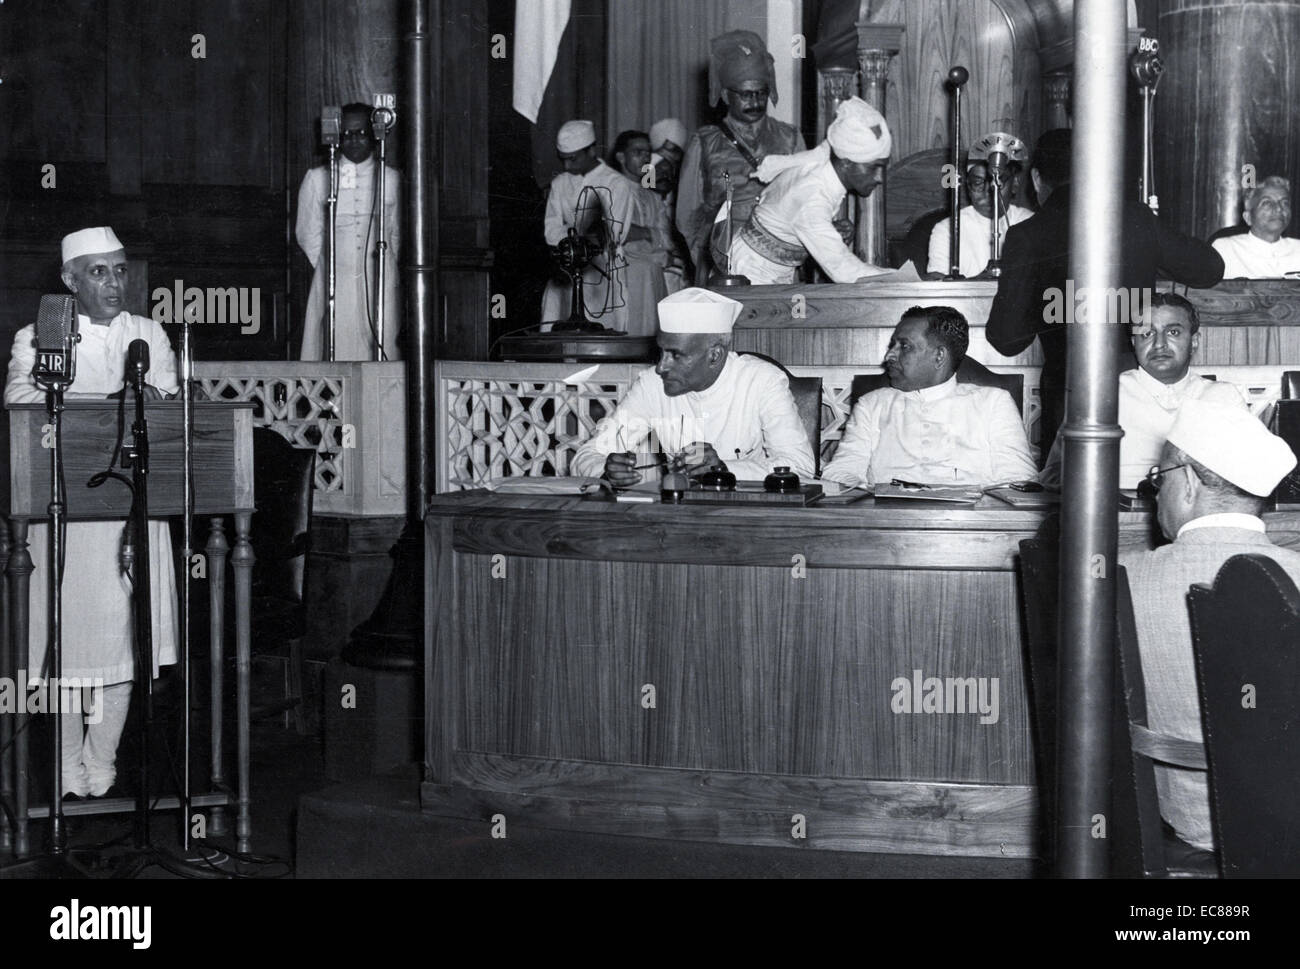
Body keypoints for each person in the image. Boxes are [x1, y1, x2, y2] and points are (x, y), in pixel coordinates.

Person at [4, 226, 180, 798]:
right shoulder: (39, 335)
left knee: (123, 645)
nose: (113, 282)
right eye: (99, 271)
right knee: (65, 648)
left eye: (121, 270)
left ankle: (101, 764)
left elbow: (168, 401)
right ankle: (63, 766)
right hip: (65, 516)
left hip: (133, 513)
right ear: (69, 280)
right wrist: (104, 404)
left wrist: (153, 400)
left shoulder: (147, 332)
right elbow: (22, 399)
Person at [1120, 399, 1300, 855]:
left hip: (1181, 823)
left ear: (1188, 482)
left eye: (1158, 480)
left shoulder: (1119, 577)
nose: (1154, 493)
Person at [986, 129, 1225, 462]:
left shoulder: (1027, 235)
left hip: (1068, 399)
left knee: (1072, 504)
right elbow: (1210, 269)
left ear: (1037, 179)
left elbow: (1006, 338)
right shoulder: (1137, 217)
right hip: (1142, 396)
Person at [570, 288, 815, 483]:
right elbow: (587, 454)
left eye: (675, 355)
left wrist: (725, 469)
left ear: (715, 356)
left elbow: (800, 466)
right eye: (661, 352)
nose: (660, 367)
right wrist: (606, 469)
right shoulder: (652, 386)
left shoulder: (761, 381)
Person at [1040, 292, 1247, 489]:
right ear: (1134, 343)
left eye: (1173, 332)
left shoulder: (1223, 397)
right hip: (1116, 519)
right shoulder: (1101, 396)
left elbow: (1248, 474)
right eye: (1147, 333)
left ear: (1194, 341)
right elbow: (1054, 475)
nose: (1159, 344)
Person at [821, 306, 1036, 487]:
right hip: (887, 524)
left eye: (904, 346)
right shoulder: (871, 404)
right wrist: (871, 495)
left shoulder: (993, 403)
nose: (889, 355)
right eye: (892, 345)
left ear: (939, 356)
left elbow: (1020, 481)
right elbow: (839, 472)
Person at [675, 30, 804, 281]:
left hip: (779, 258)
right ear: (725, 95)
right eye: (746, 94)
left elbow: (804, 197)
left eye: (761, 93)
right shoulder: (704, 142)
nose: (755, 101)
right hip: (724, 259)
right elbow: (686, 215)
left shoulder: (790, 137)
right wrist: (708, 258)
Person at [727, 97, 894, 285]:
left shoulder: (822, 164)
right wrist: (906, 280)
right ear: (846, 162)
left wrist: (827, 229)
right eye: (874, 167)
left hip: (772, 268)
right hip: (751, 272)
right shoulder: (812, 196)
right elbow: (845, 272)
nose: (879, 178)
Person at [296, 103, 402, 361]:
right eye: (347, 133)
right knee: (334, 343)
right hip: (335, 278)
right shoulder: (317, 178)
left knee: (383, 342)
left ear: (375, 134)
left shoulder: (391, 178)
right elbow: (307, 233)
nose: (354, 140)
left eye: (362, 133)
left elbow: (397, 233)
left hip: (381, 278)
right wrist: (331, 262)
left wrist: (384, 265)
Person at [539, 120, 633, 326]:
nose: (566, 166)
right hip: (564, 271)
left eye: (573, 159)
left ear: (591, 150)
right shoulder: (560, 183)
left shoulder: (616, 184)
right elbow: (550, 230)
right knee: (558, 330)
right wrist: (578, 237)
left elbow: (611, 233)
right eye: (562, 159)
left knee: (601, 334)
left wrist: (570, 235)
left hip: (603, 272)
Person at [605, 129, 677, 334]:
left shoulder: (652, 197)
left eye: (648, 153)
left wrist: (644, 233)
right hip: (622, 269)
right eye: (638, 152)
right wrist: (649, 234)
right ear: (621, 157)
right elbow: (614, 233)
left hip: (650, 269)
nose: (645, 158)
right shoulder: (608, 189)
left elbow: (666, 240)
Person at [927, 158, 1034, 278]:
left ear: (1014, 184)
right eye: (978, 183)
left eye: (998, 182)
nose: (989, 191)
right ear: (968, 187)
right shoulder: (947, 229)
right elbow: (937, 282)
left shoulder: (1030, 222)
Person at [1212, 176, 1300, 278]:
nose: (1279, 208)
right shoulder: (1225, 249)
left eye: (1285, 203)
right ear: (1248, 217)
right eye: (1267, 202)